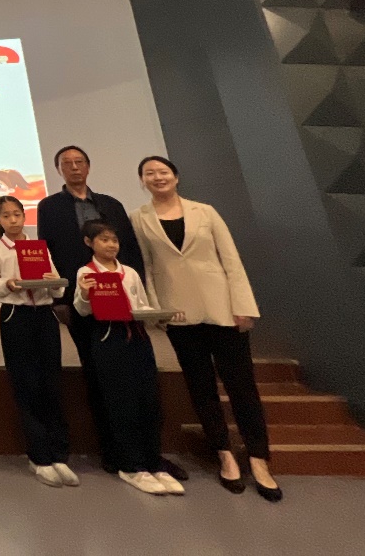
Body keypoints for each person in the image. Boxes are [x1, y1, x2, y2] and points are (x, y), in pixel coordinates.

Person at [131, 156, 281, 502]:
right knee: (200, 388)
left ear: (176, 177)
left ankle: (259, 460)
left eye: (163, 172)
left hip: (223, 309)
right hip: (179, 314)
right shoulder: (138, 218)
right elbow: (148, 267)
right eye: (149, 174)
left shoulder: (205, 212)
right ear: (142, 181)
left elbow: (231, 260)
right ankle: (224, 455)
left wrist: (243, 306)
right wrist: (157, 310)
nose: (157, 177)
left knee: (242, 386)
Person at [35, 145, 175, 478]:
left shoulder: (111, 205)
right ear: (59, 170)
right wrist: (59, 299)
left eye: (79, 162)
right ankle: (113, 451)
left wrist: (141, 295)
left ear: (88, 166)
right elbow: (46, 251)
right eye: (67, 163)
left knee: (138, 377)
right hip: (80, 299)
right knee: (97, 373)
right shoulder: (49, 207)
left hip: (123, 301)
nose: (74, 167)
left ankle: (148, 453)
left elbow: (130, 250)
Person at [74, 220, 185, 496]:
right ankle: (131, 465)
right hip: (109, 339)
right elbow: (83, 310)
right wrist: (85, 293)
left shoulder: (130, 272)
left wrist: (158, 315)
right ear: (89, 243)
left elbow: (142, 304)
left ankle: (153, 462)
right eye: (104, 240)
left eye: (114, 240)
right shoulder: (86, 273)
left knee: (148, 399)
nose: (111, 245)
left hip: (138, 338)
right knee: (121, 402)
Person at [0, 195, 75, 487]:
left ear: (25, 216)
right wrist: (6, 284)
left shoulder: (39, 247)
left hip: (44, 316)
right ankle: (39, 457)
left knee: (51, 380)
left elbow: (58, 288)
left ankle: (59, 455)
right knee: (26, 382)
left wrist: (51, 281)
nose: (13, 220)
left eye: (17, 214)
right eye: (6, 216)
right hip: (16, 315)